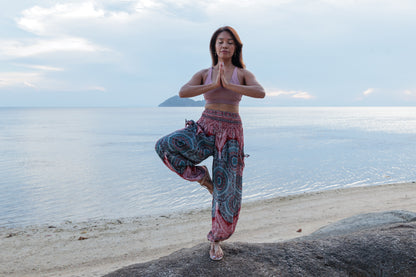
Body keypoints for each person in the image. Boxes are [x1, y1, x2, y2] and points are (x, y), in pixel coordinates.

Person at [155, 26, 265, 261]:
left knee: (227, 190)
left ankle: (215, 240)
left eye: (229, 42)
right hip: (205, 128)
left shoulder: (242, 73)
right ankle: (202, 176)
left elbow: (260, 92)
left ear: (236, 47)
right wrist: (214, 85)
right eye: (220, 42)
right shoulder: (205, 73)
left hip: (231, 133)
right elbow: (184, 91)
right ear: (214, 47)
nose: (224, 45)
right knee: (163, 146)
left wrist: (228, 84)